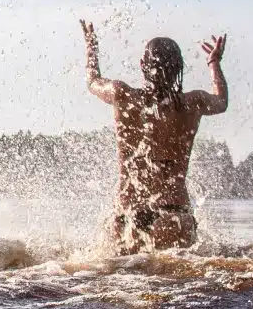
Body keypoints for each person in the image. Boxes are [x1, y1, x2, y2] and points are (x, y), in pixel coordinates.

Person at [79, 23, 228, 254]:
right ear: (180, 68)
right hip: (174, 214)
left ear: (142, 65)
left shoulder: (122, 96)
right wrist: (214, 63)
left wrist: (92, 49)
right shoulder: (193, 103)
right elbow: (221, 101)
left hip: (128, 212)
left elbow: (92, 81)